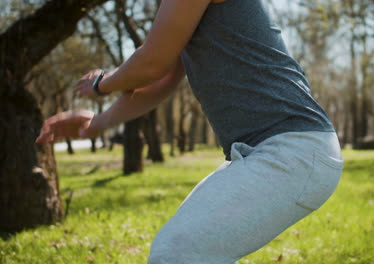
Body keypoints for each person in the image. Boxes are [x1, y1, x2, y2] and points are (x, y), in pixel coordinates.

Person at [36, 0, 344, 263]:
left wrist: (102, 83)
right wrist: (96, 124)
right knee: (191, 251)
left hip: (295, 150)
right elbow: (160, 80)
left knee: (177, 253)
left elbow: (152, 63)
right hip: (271, 151)